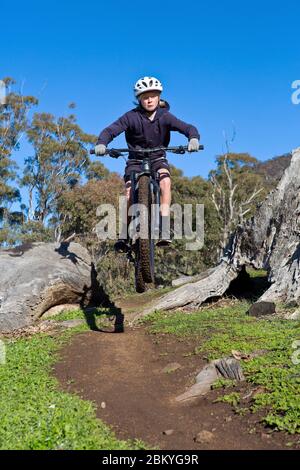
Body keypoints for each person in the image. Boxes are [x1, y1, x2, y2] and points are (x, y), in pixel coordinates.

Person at [95, 76, 200, 252]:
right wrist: (102, 143)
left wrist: (193, 139)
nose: (149, 100)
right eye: (145, 97)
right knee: (129, 193)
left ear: (159, 97)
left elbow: (188, 128)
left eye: (153, 95)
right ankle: (124, 234)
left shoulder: (165, 116)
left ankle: (164, 227)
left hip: (158, 159)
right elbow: (110, 130)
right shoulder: (131, 117)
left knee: (165, 181)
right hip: (135, 161)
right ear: (139, 99)